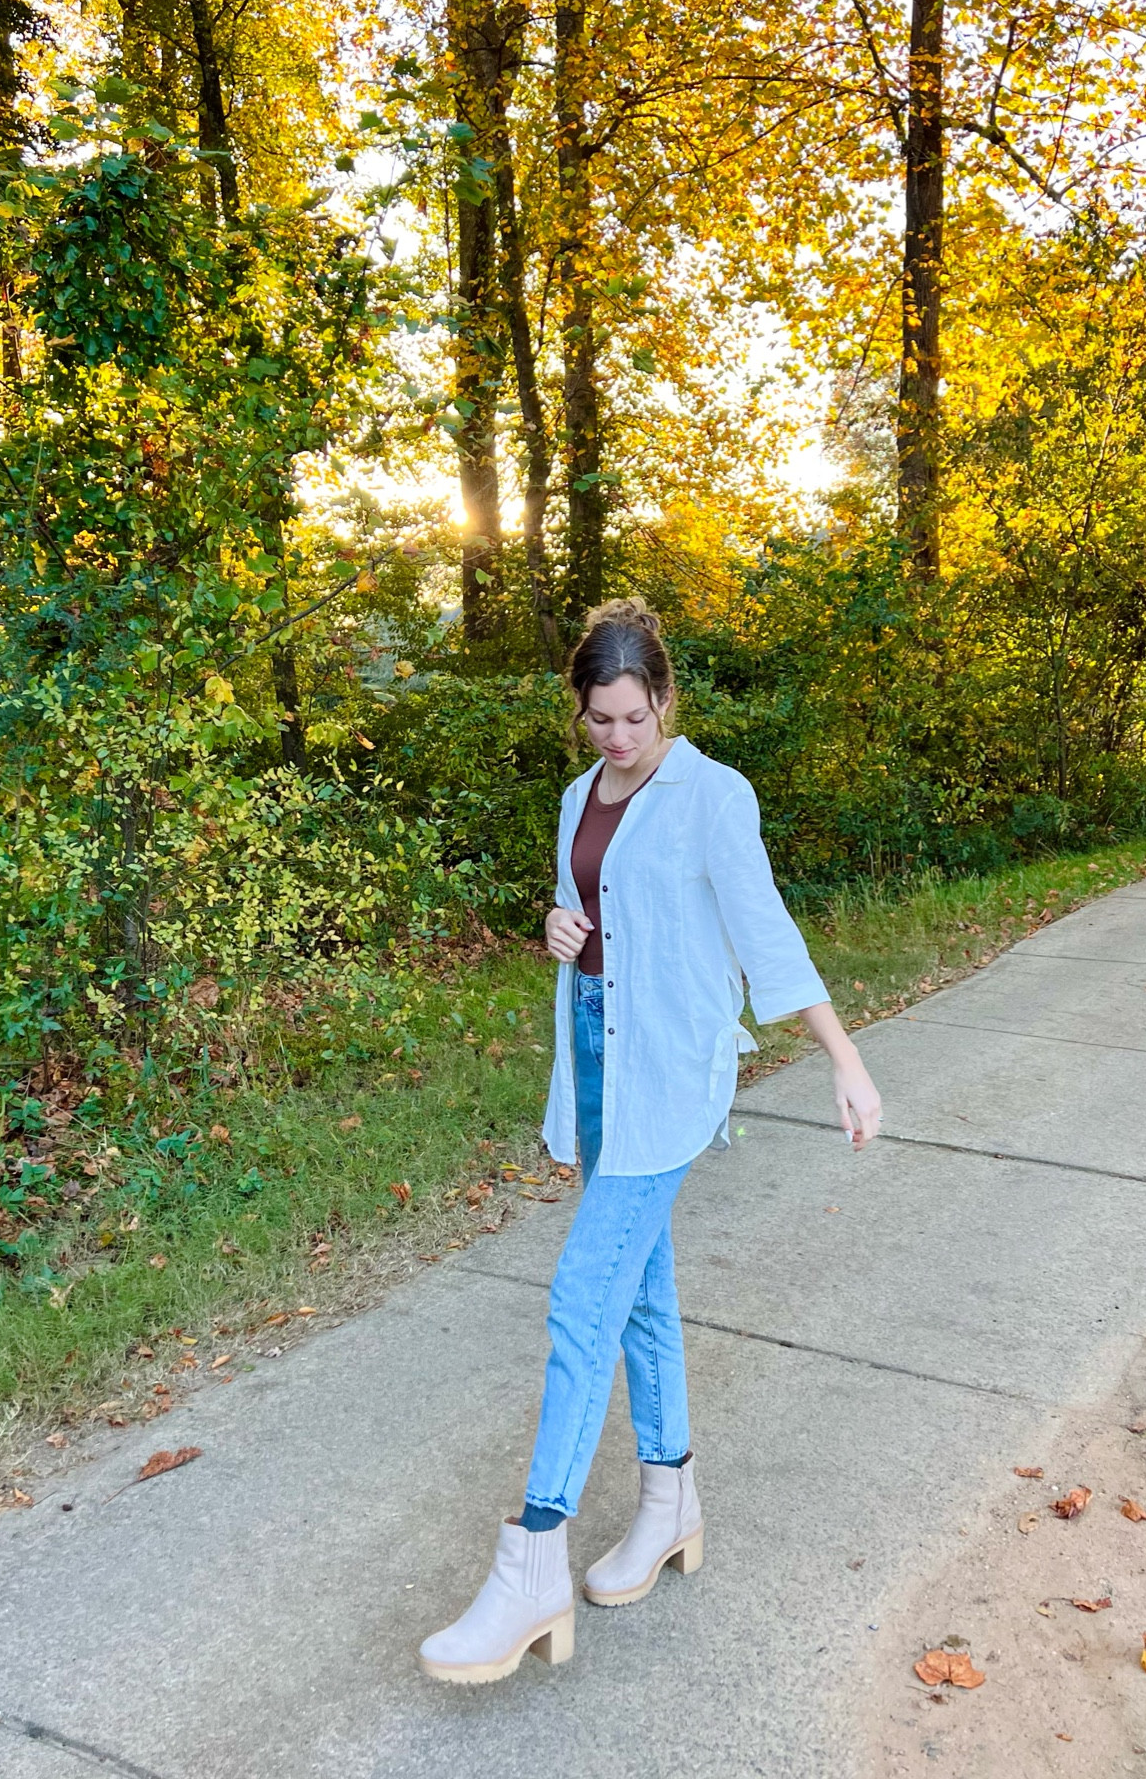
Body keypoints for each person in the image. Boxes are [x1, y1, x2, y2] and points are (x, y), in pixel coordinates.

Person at [419, 599, 883, 1684]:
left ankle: (532, 1558)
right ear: (578, 713)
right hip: (593, 1060)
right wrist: (559, 927)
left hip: (669, 1072)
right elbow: (583, 906)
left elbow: (765, 931)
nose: (616, 738)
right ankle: (670, 1500)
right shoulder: (580, 793)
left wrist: (843, 1057)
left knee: (583, 1296)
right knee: (636, 1289)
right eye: (597, 719)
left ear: (664, 699)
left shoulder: (713, 796)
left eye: (632, 716)